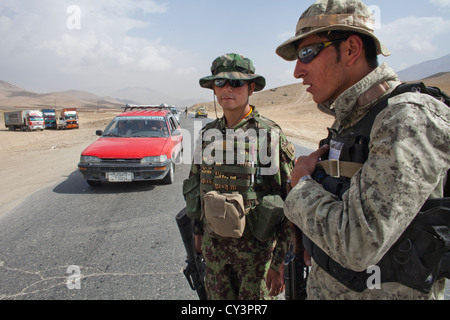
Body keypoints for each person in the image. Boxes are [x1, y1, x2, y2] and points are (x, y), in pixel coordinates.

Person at [277, 0, 450, 299]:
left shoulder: (405, 118)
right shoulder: (351, 120)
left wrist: (300, 185)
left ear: (351, 49)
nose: (297, 71)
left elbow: (357, 244)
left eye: (307, 53)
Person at [183, 53, 295, 299]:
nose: (227, 89)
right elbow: (196, 187)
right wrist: (198, 233)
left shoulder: (268, 134)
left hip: (256, 259)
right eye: (220, 83)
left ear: (251, 87)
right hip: (215, 256)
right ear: (213, 88)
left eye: (236, 83)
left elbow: (289, 200)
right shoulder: (207, 135)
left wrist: (278, 263)